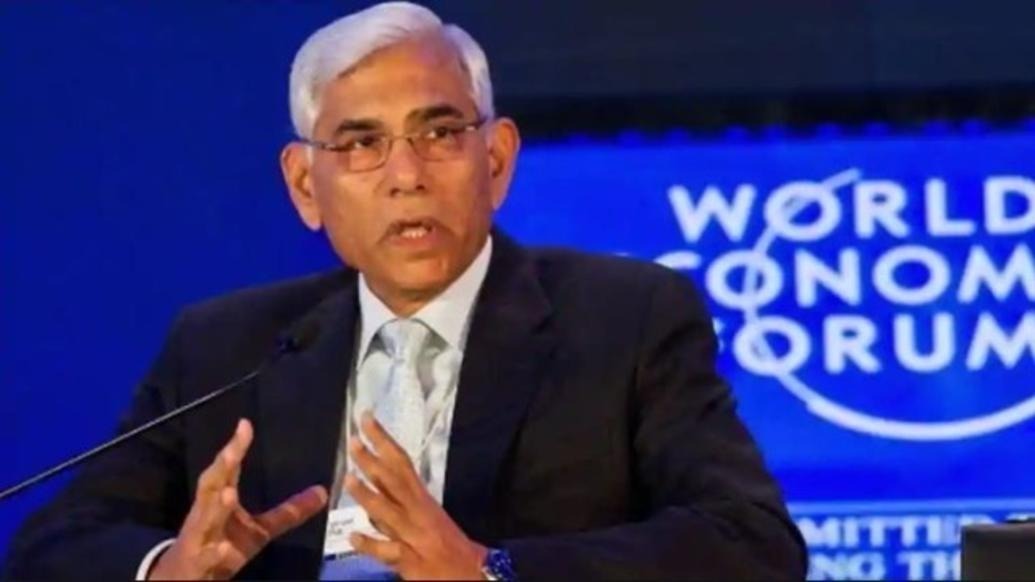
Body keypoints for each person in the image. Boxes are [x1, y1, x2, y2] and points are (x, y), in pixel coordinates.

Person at [5, 2, 805, 579]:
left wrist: (489, 571)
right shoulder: (226, 345)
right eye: (360, 144)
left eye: (439, 133)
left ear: (496, 160)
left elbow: (751, 543)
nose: (405, 176)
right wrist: (171, 568)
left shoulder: (624, 320)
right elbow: (56, 543)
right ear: (305, 186)